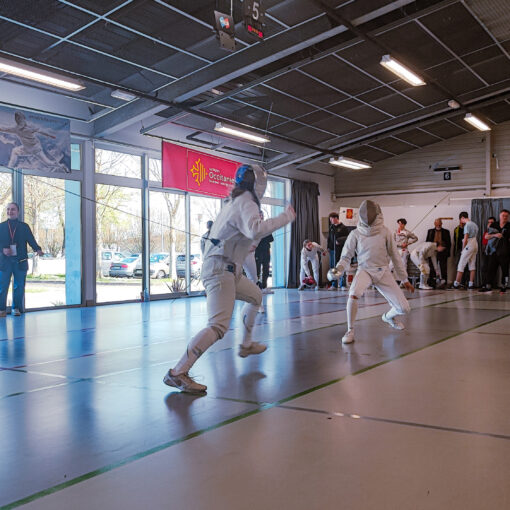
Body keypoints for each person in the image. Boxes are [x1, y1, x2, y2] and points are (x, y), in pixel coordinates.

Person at [163, 164, 295, 394]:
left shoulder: (235, 201)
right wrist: (286, 217)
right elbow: (255, 229)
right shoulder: (246, 201)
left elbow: (244, 233)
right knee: (217, 326)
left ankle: (246, 344)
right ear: (258, 184)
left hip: (229, 269)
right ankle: (177, 372)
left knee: (255, 296)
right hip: (220, 269)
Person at [328, 200, 414, 344]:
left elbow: (395, 256)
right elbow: (345, 257)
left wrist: (404, 279)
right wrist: (338, 269)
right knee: (353, 294)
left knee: (404, 308)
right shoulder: (355, 234)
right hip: (364, 270)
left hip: (383, 271)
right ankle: (350, 330)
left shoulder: (385, 232)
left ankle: (388, 317)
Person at [0, 202, 44, 317]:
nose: (10, 211)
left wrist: (38, 249)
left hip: (20, 261)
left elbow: (31, 240)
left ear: (18, 212)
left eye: (13, 209)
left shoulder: (24, 227)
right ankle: (1, 309)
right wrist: (3, 250)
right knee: (2, 287)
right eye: (8, 209)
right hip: (4, 262)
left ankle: (16, 308)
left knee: (19, 287)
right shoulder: (1, 226)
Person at [0, 111, 69, 173]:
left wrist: (50, 135)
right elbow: (5, 129)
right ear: (16, 120)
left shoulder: (30, 127)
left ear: (23, 119)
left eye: (20, 119)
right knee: (15, 151)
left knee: (49, 163)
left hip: (36, 149)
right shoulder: (16, 129)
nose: (19, 121)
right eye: (17, 120)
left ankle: (62, 166)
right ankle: (9, 168)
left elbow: (41, 131)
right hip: (26, 149)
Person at [480, 210, 510, 293]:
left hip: (505, 252)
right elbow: (486, 236)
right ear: (500, 216)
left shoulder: (509, 226)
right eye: (503, 215)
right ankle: (488, 286)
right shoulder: (494, 225)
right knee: (490, 269)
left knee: (505, 271)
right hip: (493, 251)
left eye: (506, 216)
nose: (504, 217)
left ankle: (504, 286)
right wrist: (495, 235)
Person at [453, 212, 478, 290]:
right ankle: (471, 284)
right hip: (475, 244)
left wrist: (463, 249)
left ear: (462, 218)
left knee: (461, 264)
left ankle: (456, 283)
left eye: (460, 219)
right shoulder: (474, 224)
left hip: (469, 245)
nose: (461, 221)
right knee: (472, 264)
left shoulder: (467, 225)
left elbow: (465, 239)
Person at [426, 218, 451, 288]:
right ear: (434, 224)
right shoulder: (430, 231)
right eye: (437, 224)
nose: (438, 225)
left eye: (440, 224)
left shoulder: (446, 232)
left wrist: (443, 248)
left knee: (443, 268)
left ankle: (444, 284)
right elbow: (427, 242)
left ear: (442, 224)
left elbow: (449, 243)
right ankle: (432, 283)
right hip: (432, 252)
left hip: (442, 252)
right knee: (432, 268)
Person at [327, 212, 350, 290]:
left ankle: (343, 284)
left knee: (341, 266)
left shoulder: (343, 227)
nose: (331, 221)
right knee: (333, 267)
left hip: (340, 250)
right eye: (330, 220)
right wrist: (328, 247)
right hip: (332, 250)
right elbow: (329, 238)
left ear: (336, 218)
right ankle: (334, 284)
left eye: (331, 219)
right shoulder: (331, 227)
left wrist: (339, 240)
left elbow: (348, 238)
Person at [478, 217, 496, 293]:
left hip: (492, 253)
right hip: (485, 252)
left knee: (490, 269)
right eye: (489, 222)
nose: (490, 224)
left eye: (492, 222)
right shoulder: (486, 231)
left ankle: (489, 285)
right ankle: (484, 284)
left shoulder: (495, 232)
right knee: (483, 268)